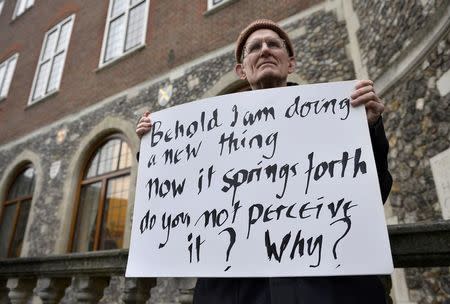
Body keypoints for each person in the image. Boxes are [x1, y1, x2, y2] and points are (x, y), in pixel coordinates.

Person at [136, 19, 392, 304]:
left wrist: (368, 129)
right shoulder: (209, 135)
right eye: (254, 47)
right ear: (241, 70)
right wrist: (154, 148)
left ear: (291, 63)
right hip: (236, 294)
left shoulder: (336, 117)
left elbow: (374, 194)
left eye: (274, 44)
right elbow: (175, 205)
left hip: (329, 290)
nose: (265, 50)